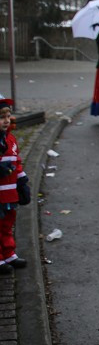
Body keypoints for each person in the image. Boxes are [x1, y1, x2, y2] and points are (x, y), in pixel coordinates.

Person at [0, 97, 31, 275]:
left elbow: (17, 162)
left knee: (7, 224)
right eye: (1, 117)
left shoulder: (11, 140)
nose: (5, 120)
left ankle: (9, 253)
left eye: (8, 115)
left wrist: (22, 182)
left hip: (9, 193)